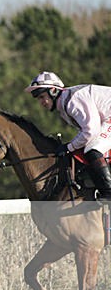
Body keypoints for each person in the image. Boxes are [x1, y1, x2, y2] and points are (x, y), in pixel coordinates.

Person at [25, 71, 111, 202]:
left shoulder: (72, 101)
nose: (41, 102)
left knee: (92, 150)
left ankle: (108, 193)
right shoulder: (65, 103)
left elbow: (90, 131)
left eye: (42, 97)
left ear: (53, 90)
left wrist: (68, 147)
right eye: (38, 99)